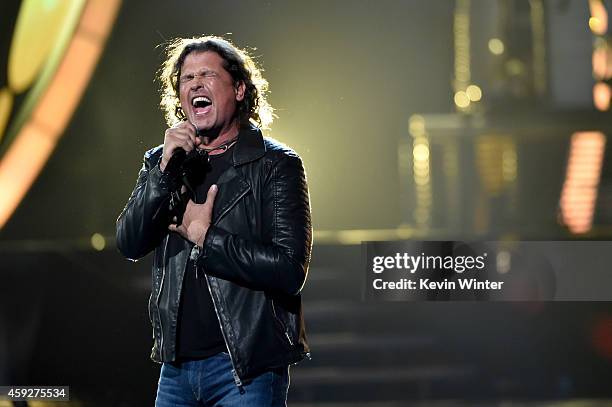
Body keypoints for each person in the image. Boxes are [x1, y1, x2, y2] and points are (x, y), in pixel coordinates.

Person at [116, 35, 312, 406]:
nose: (195, 85)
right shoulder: (163, 162)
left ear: (239, 89)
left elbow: (289, 269)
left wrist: (206, 236)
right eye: (187, 79)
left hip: (245, 370)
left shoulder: (275, 164)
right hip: (175, 372)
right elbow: (129, 242)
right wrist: (162, 173)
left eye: (207, 75)